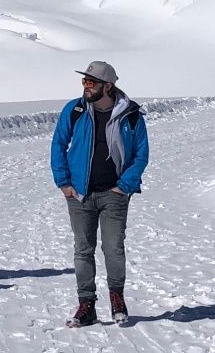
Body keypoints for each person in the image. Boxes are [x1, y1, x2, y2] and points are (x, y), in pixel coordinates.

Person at [49, 59, 149, 327]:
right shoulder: (75, 110)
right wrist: (64, 183)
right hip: (79, 195)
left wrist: (124, 186)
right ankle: (86, 305)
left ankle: (117, 298)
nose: (86, 86)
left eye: (91, 82)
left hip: (114, 195)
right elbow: (58, 145)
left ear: (108, 86)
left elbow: (141, 154)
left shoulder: (131, 115)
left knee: (113, 248)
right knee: (83, 250)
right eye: (85, 81)